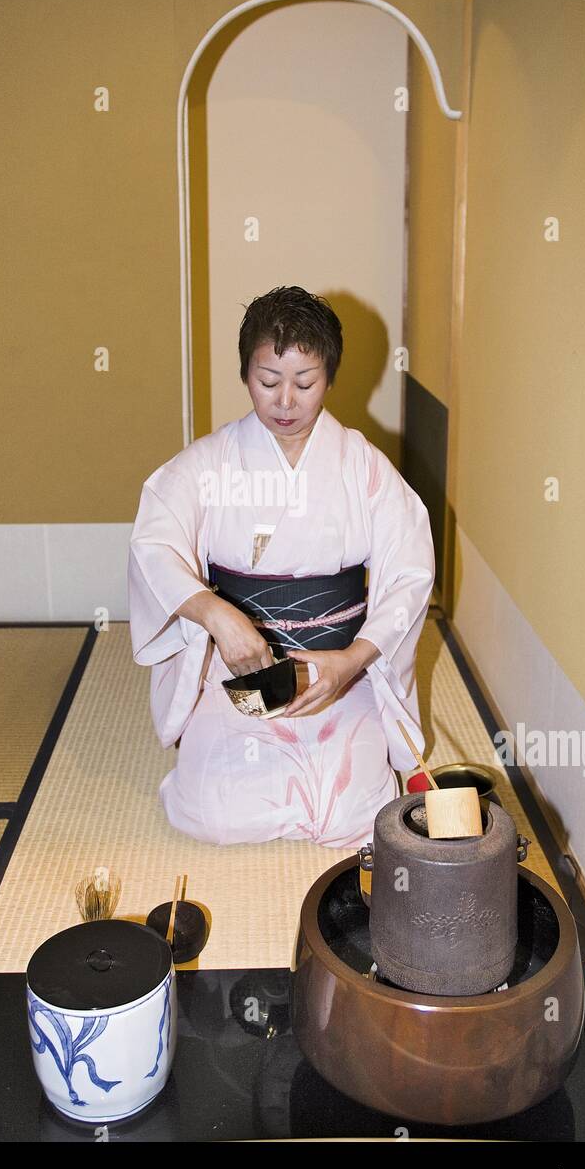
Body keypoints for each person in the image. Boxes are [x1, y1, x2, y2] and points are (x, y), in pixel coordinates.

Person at [127, 285, 436, 848]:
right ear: (246, 374)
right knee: (214, 812)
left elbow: (410, 573)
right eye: (268, 382)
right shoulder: (210, 464)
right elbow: (154, 545)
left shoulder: (361, 466)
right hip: (243, 673)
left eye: (305, 382)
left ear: (331, 378)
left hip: (336, 669)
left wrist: (353, 661)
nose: (286, 402)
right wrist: (215, 614)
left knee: (355, 816)